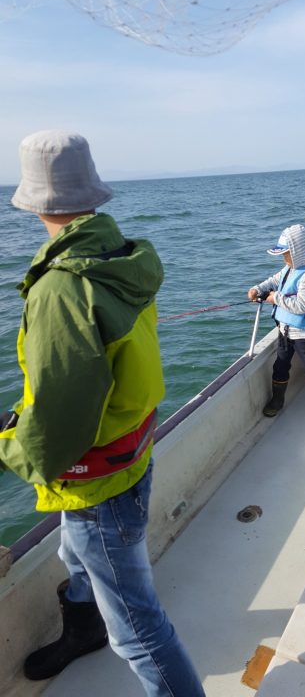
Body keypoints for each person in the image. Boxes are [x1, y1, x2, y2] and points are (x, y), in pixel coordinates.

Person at [0, 130, 205, 697]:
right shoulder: (124, 255)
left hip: (96, 483)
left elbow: (57, 425)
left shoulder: (60, 288)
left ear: (34, 203)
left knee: (138, 631)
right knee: (74, 553)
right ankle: (82, 629)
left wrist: (10, 447)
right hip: (131, 453)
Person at [248, 224, 305, 425]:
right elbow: (273, 281)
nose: (284, 258)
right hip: (284, 331)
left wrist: (275, 298)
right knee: (280, 367)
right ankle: (278, 399)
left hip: (303, 335)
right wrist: (258, 289)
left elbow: (300, 306)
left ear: (297, 251)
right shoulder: (288, 269)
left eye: (286, 253)